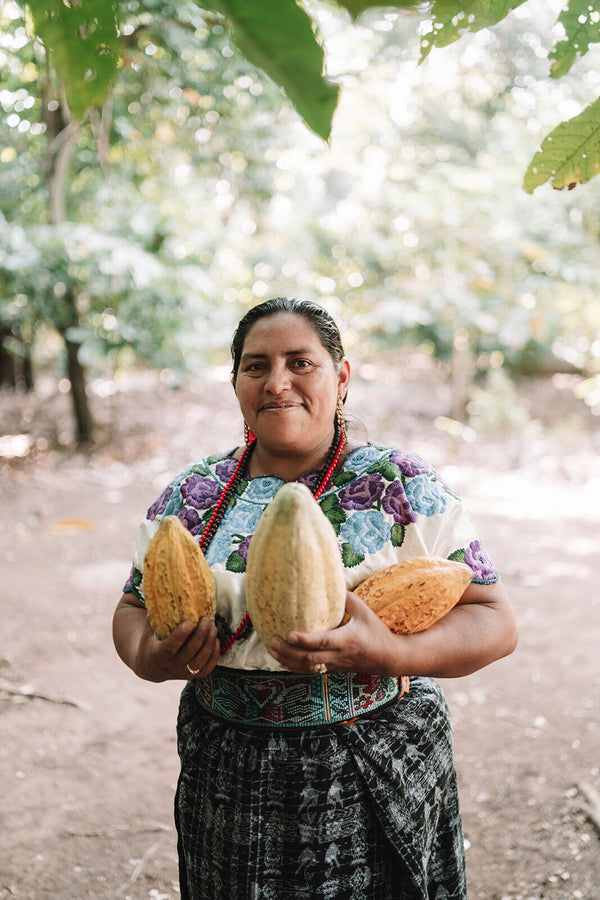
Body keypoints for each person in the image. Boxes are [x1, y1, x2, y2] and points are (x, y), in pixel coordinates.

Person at [113, 296, 517, 900]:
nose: (278, 383)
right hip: (228, 766)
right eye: (256, 367)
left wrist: (392, 653)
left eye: (301, 362)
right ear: (237, 384)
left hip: (372, 758)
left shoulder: (400, 484)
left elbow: (495, 621)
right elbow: (132, 609)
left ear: (342, 376)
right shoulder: (194, 492)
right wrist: (151, 656)